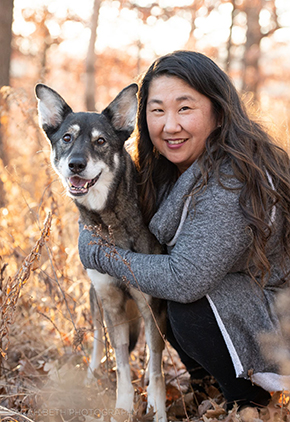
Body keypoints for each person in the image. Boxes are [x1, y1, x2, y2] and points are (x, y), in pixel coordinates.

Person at [78, 51, 290, 410]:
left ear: (218, 113)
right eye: (157, 110)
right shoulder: (165, 169)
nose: (169, 125)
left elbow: (184, 278)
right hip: (250, 295)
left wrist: (101, 253)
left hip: (280, 312)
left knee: (186, 304)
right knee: (170, 294)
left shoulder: (230, 181)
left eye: (185, 109)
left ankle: (252, 403)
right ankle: (210, 387)